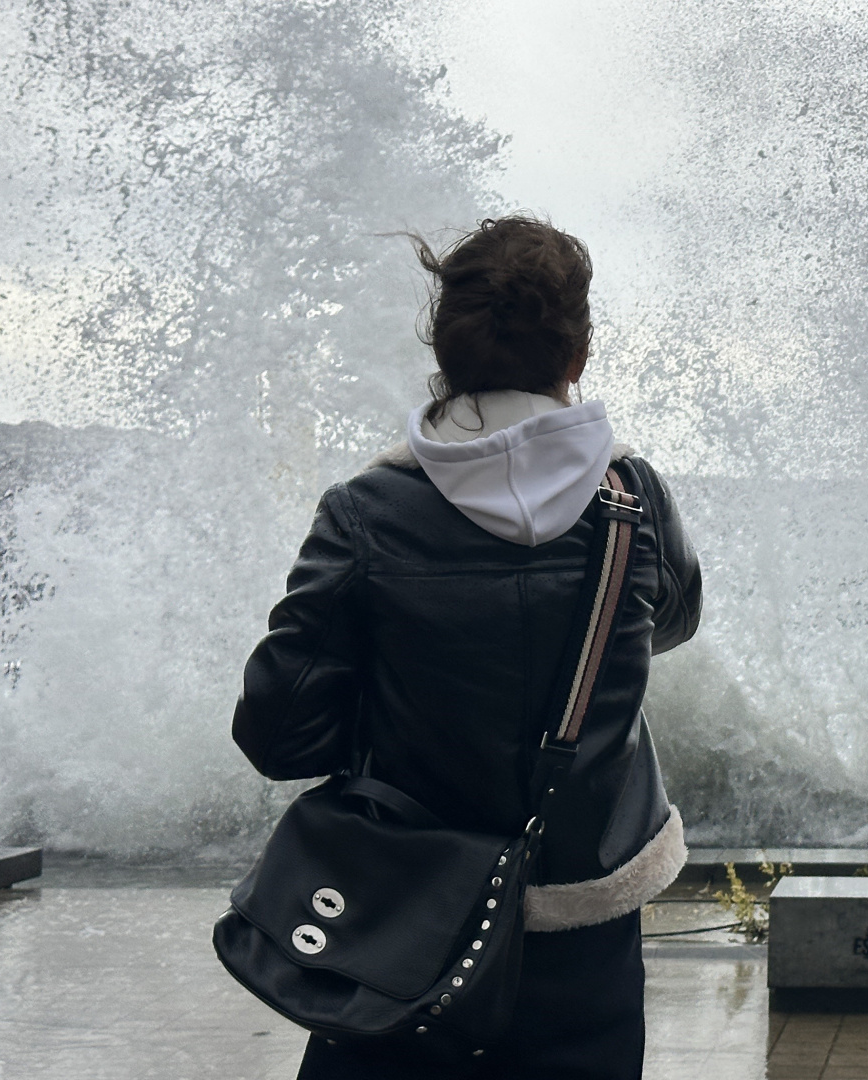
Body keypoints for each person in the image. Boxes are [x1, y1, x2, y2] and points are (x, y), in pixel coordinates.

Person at [231, 216, 702, 1080]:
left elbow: (277, 736)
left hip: (400, 917)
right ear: (577, 356)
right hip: (584, 926)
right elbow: (666, 625)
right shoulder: (631, 500)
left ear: (445, 354)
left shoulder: (364, 512)